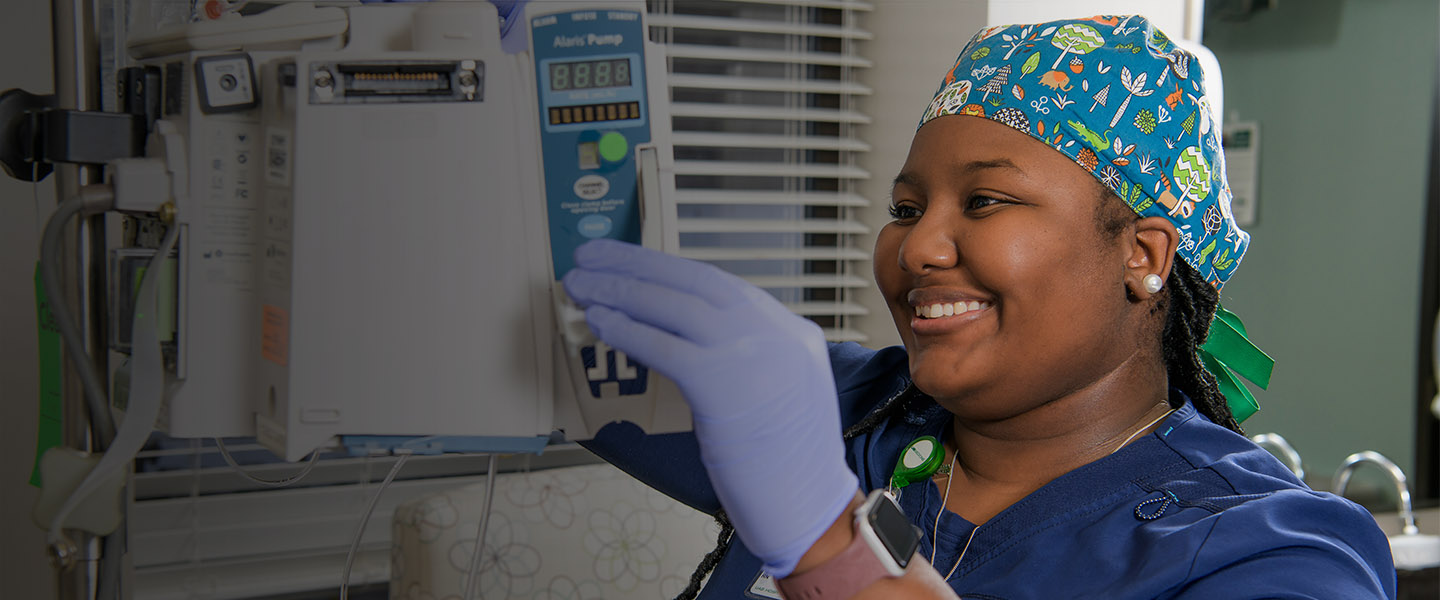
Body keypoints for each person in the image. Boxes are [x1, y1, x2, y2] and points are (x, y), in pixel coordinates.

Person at [563, 15, 1397, 599]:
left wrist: (828, 543)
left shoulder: (1277, 547)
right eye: (904, 209)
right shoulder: (859, 414)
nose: (919, 247)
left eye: (987, 201)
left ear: (1141, 255)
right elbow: (544, 344)